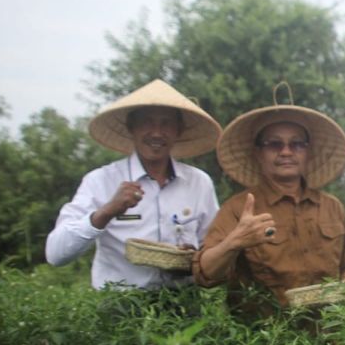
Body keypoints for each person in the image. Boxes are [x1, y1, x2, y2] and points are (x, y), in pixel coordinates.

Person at [194, 97, 345, 320]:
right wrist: (234, 242)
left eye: (296, 144)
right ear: (258, 153)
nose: (286, 152)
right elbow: (204, 273)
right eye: (274, 144)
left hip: (330, 342)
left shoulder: (332, 207)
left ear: (308, 152)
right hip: (264, 343)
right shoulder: (239, 208)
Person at [46, 79, 221, 289]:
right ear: (131, 127)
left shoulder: (198, 183)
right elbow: (56, 254)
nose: (157, 132)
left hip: (183, 307)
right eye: (147, 122)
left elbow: (211, 244)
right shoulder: (101, 181)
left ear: (179, 131)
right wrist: (107, 211)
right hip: (119, 307)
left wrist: (194, 256)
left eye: (166, 123)